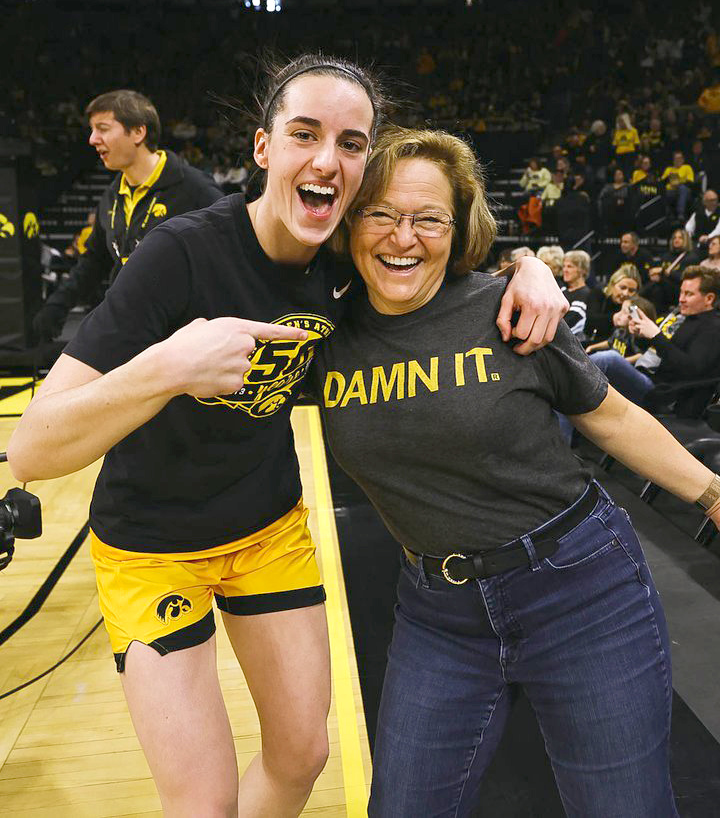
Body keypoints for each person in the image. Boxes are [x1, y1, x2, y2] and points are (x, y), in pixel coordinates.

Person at [7, 56, 567, 817]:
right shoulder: (180, 253)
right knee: (202, 804)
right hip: (150, 548)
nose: (327, 158)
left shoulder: (347, 258)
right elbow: (34, 448)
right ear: (264, 147)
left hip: (267, 529)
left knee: (303, 755)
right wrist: (170, 366)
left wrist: (532, 266)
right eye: (305, 133)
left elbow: (447, 264)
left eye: (351, 142)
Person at [310, 127, 720, 817]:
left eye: (428, 218)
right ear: (350, 221)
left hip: (584, 591)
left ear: (459, 226)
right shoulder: (323, 333)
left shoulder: (506, 309)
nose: (402, 237)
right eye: (380, 214)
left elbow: (611, 416)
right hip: (437, 615)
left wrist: (711, 494)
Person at [33, 90, 223, 343]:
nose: (92, 139)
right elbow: (94, 262)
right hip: (126, 327)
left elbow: (228, 260)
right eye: (92, 129)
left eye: (102, 128)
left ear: (138, 132)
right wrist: (58, 304)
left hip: (180, 337)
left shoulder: (197, 190)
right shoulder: (112, 195)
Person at [590, 265, 720, 417]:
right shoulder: (683, 316)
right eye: (681, 292)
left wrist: (656, 336)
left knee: (608, 359)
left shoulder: (713, 327)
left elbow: (691, 369)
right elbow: (660, 350)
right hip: (647, 376)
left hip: (663, 393)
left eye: (689, 294)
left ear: (709, 298)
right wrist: (641, 335)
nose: (681, 299)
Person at [585, 295, 657, 360]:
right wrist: (592, 347)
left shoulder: (640, 338)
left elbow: (641, 355)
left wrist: (622, 362)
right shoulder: (621, 331)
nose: (618, 315)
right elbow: (610, 342)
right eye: (620, 310)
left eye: (624, 312)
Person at [586, 264, 640, 341]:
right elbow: (591, 320)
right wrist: (615, 318)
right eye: (622, 288)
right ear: (612, 285)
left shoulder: (635, 306)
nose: (626, 293)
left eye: (631, 290)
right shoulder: (598, 293)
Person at [560, 249, 591, 338]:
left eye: (570, 266)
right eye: (564, 266)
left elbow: (570, 322)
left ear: (582, 270)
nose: (565, 270)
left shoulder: (585, 294)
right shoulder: (562, 290)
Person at [661, 150, 695, 219]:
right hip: (670, 191)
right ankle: (667, 215)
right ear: (673, 160)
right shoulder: (669, 169)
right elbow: (662, 182)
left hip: (684, 190)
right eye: (676, 159)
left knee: (682, 188)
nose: (678, 160)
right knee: (661, 191)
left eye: (680, 158)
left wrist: (679, 183)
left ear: (683, 159)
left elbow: (690, 182)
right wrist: (668, 177)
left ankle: (680, 214)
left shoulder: (687, 167)